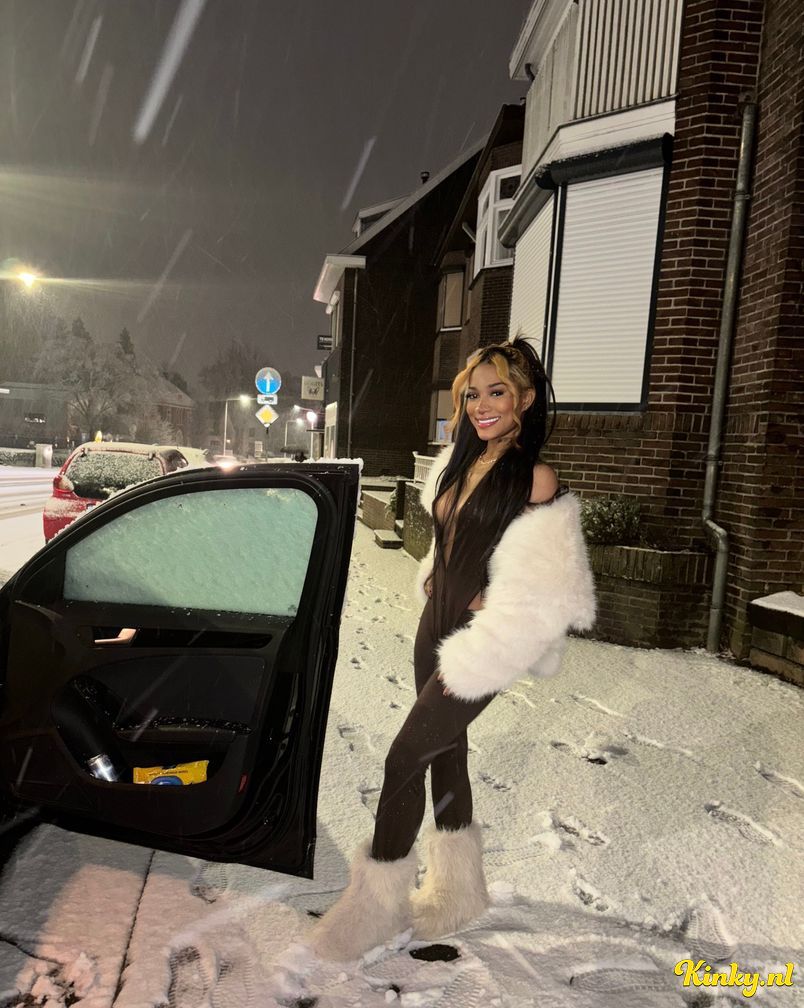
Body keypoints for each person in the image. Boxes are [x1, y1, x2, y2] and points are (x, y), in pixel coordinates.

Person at [309, 338, 596, 961]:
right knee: (446, 753)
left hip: (481, 644)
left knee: (403, 758)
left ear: (525, 400)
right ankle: (459, 893)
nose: (481, 406)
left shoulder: (536, 477)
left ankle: (374, 907)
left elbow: (555, 582)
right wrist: (441, 576)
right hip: (434, 625)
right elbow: (453, 540)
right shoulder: (462, 462)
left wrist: (499, 599)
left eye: (497, 393)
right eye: (472, 394)